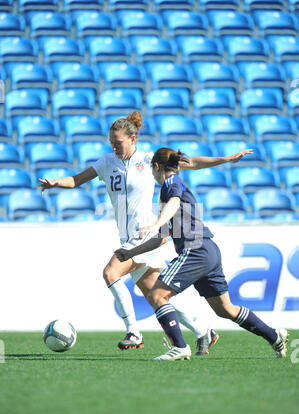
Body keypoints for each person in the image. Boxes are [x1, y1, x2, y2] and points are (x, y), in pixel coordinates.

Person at [39, 111, 253, 355]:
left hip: (145, 235)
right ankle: (203, 329)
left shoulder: (149, 160)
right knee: (155, 296)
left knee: (110, 272)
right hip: (128, 236)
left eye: (117, 143)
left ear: (133, 139)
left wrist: (226, 159)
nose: (114, 147)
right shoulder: (106, 162)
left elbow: (191, 162)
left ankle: (133, 332)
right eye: (111, 143)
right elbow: (78, 179)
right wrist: (57, 182)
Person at [115, 147, 289, 361]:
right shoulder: (178, 188)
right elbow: (162, 237)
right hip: (208, 250)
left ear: (157, 167)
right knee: (225, 309)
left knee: (156, 295)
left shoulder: (171, 184)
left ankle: (179, 347)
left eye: (152, 170)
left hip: (195, 250)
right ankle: (274, 335)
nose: (152, 175)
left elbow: (173, 204)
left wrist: (155, 222)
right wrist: (131, 252)